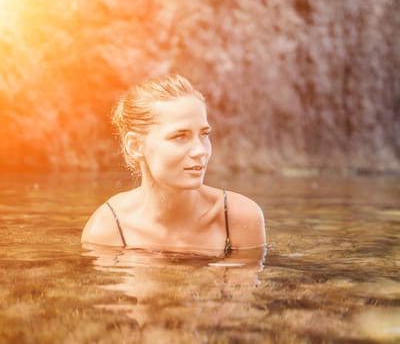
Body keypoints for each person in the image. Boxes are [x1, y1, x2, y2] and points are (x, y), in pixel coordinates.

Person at [81, 74, 266, 254]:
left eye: (204, 134)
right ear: (135, 146)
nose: (201, 150)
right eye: (179, 136)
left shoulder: (238, 219)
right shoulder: (108, 230)